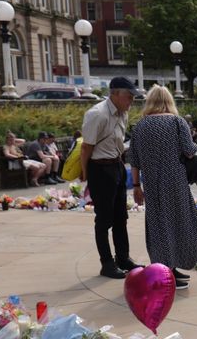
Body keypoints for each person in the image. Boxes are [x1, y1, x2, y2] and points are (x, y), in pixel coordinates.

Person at [130, 85, 197, 291]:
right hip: (175, 180)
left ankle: (165, 268)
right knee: (182, 221)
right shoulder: (176, 122)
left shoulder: (140, 126)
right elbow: (189, 152)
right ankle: (174, 265)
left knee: (158, 224)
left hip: (151, 182)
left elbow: (134, 161)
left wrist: (136, 186)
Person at [80, 76, 142, 279]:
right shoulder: (97, 114)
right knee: (104, 219)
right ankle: (106, 263)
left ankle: (123, 258)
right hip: (99, 168)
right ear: (114, 93)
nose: (131, 101)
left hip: (116, 165)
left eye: (133, 97)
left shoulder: (123, 113)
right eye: (128, 96)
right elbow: (86, 147)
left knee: (120, 217)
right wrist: (86, 174)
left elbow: (119, 143)